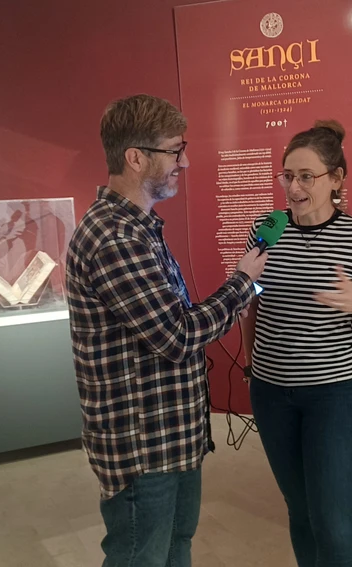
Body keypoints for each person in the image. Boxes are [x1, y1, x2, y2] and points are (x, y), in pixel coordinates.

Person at [65, 94, 268, 567]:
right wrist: (244, 283)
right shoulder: (114, 237)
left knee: (175, 548)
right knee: (141, 556)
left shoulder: (139, 229)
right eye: (176, 151)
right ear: (136, 157)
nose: (186, 161)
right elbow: (176, 336)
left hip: (171, 440)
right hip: (144, 450)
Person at [239, 120, 352, 567]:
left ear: (337, 179)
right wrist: (251, 363)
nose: (294, 187)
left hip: (335, 394)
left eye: (307, 176)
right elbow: (251, 304)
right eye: (288, 175)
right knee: (301, 511)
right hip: (270, 393)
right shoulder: (266, 228)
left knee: (333, 524)